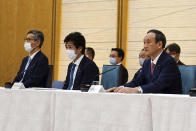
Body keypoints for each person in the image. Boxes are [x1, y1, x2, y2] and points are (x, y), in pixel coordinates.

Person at [107, 29, 182, 94]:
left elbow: (160, 84)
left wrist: (136, 90)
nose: (145, 46)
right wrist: (120, 88)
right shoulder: (147, 62)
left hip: (169, 103)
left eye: (148, 42)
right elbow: (137, 82)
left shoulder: (169, 61)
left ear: (159, 44)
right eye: (144, 43)